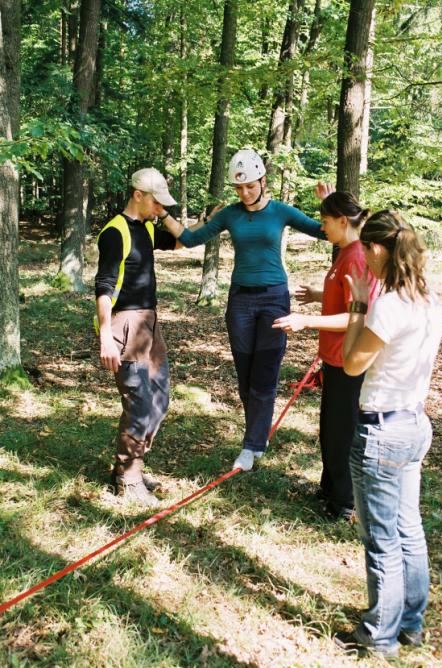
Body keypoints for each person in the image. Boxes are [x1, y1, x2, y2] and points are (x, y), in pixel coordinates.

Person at [157, 149, 328, 471]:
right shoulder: (231, 214)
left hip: (274, 298)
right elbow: (192, 239)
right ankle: (257, 437)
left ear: (263, 181)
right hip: (240, 301)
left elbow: (323, 231)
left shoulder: (280, 211)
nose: (245, 193)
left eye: (250, 186)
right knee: (245, 376)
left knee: (264, 375)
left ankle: (251, 446)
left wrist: (328, 203)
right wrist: (163, 213)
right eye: (239, 188)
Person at [335, 210, 442, 656]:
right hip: (415, 424)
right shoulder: (428, 299)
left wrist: (358, 305)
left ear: (379, 250)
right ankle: (411, 624)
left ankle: (379, 636)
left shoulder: (389, 306)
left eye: (367, 255)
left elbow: (351, 363)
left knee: (382, 540)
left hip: (382, 431)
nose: (365, 264)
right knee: (409, 529)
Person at [272, 192, 379, 520]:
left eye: (326, 221)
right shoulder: (345, 253)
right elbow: (344, 298)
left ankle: (343, 503)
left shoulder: (357, 257)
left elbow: (355, 316)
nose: (322, 226)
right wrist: (320, 295)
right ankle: (329, 490)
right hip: (333, 359)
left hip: (348, 362)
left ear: (343, 221)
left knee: (341, 434)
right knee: (331, 430)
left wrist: (306, 321)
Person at [95, 168, 180, 507]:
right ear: (138, 195)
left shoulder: (145, 226)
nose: (159, 208)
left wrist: (164, 213)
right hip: (124, 326)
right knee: (139, 403)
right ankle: (128, 480)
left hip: (150, 325)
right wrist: (105, 337)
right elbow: (103, 288)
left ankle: (131, 464)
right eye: (155, 200)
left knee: (159, 398)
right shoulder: (115, 232)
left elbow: (179, 240)